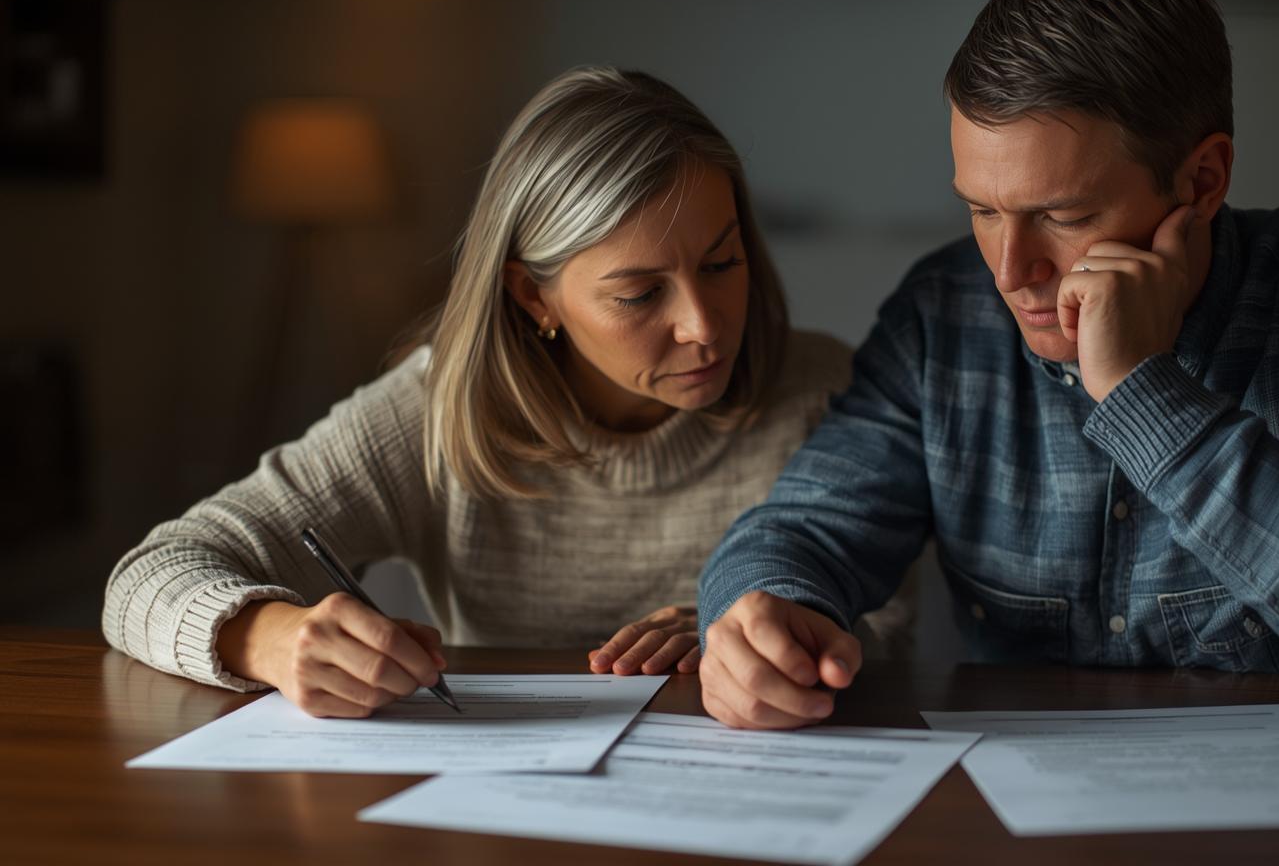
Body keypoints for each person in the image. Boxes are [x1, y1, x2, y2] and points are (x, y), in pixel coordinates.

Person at [696, 0, 1279, 727]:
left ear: (1202, 181)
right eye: (981, 210)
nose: (1012, 273)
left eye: (1065, 215)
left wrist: (1142, 394)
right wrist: (760, 612)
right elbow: (806, 527)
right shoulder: (942, 315)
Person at [103, 66, 910, 718]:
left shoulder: (824, 390)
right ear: (533, 298)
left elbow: (886, 625)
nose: (704, 325)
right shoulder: (434, 414)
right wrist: (269, 638)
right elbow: (150, 573)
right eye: (639, 295)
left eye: (723, 262)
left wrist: (765, 629)